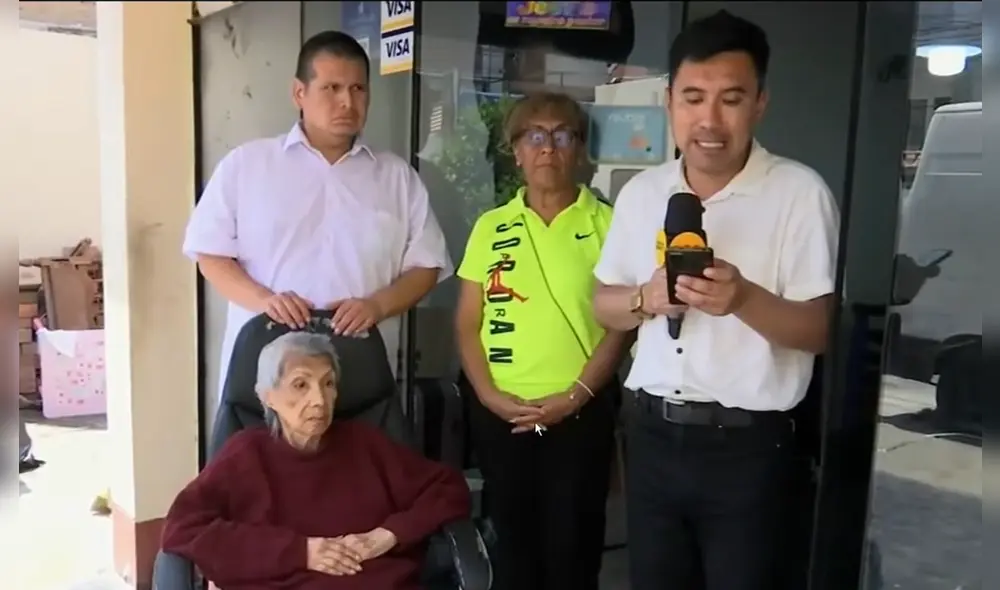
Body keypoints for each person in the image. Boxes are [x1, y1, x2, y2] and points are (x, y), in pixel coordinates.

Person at [592, 11, 839, 590]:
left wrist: (743, 298)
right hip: (651, 436)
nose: (709, 120)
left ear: (760, 103)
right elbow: (602, 304)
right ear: (669, 102)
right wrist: (645, 298)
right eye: (693, 98)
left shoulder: (800, 193)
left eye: (731, 99)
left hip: (749, 449)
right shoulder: (643, 193)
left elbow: (820, 330)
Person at [183, 31, 451, 399]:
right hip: (268, 371)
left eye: (358, 89)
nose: (347, 101)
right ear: (299, 93)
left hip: (360, 367)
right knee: (262, 438)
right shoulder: (248, 165)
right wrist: (265, 301)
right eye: (332, 88)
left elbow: (427, 265)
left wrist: (377, 305)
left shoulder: (396, 177)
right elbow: (210, 255)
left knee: (361, 439)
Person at [454, 92, 632, 590]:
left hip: (580, 413)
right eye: (534, 136)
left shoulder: (609, 225)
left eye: (562, 135)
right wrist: (488, 396)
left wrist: (575, 396)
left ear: (580, 149)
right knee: (512, 553)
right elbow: (467, 322)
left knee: (573, 552)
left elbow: (624, 322)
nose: (547, 147)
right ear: (516, 151)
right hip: (503, 416)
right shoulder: (491, 228)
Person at [160, 332, 471, 590]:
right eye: (301, 385)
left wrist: (388, 535)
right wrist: (301, 552)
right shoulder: (245, 455)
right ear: (267, 396)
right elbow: (183, 528)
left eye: (328, 384)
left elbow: (449, 489)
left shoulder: (366, 444)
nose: (319, 401)